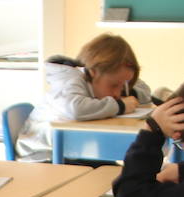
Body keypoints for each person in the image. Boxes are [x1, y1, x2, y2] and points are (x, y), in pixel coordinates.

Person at [19, 33, 155, 159]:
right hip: (43, 157)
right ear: (93, 72)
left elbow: (145, 92)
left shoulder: (101, 80)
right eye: (114, 86)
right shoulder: (69, 80)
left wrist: (129, 92)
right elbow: (76, 109)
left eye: (123, 86)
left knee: (124, 175)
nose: (118, 94)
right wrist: (120, 106)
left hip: (71, 153)